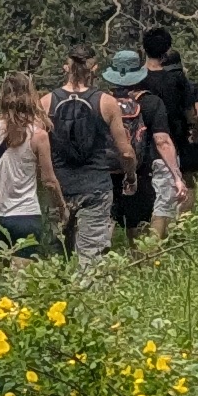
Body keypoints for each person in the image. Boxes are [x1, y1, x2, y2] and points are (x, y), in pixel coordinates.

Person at [0, 69, 61, 255]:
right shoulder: (38, 135)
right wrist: (61, 207)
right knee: (21, 280)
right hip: (26, 215)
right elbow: (49, 181)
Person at [48, 46, 118, 262]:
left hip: (60, 187)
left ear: (66, 68)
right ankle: (89, 293)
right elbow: (125, 151)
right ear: (94, 68)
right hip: (96, 185)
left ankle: (56, 294)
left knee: (57, 255)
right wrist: (131, 175)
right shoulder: (106, 102)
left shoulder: (46, 102)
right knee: (92, 257)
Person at [137, 22, 198, 226]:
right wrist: (194, 131)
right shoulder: (177, 79)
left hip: (142, 141)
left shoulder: (137, 79)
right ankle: (176, 228)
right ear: (167, 50)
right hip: (174, 139)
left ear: (144, 48)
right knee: (176, 188)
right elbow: (190, 111)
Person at [101, 45, 157, 252]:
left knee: (105, 222)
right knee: (138, 224)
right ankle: (141, 267)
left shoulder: (101, 102)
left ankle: (101, 269)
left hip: (104, 173)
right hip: (138, 173)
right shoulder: (150, 102)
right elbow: (161, 139)